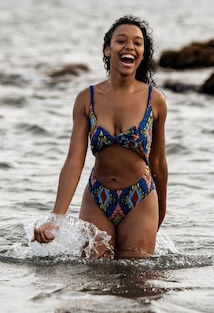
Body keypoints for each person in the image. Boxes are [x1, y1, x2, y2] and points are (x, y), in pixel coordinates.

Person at [32, 15, 168, 259]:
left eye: (137, 43)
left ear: (143, 53)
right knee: (94, 279)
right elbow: (74, 160)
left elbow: (158, 162)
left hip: (140, 197)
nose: (129, 47)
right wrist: (56, 218)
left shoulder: (154, 99)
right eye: (121, 41)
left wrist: (162, 209)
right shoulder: (87, 99)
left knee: (137, 282)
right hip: (98, 197)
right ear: (108, 49)